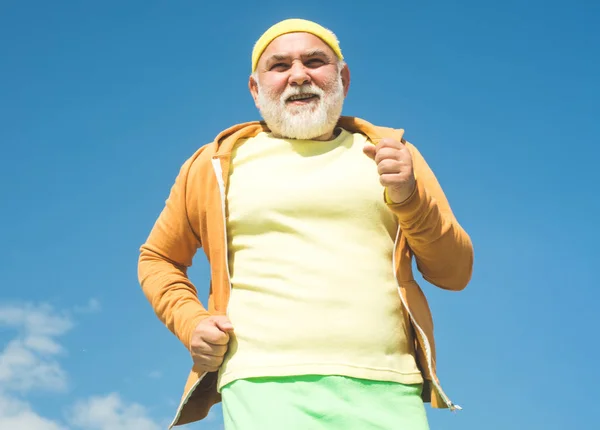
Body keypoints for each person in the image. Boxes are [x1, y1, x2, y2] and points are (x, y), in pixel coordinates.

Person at [138, 18, 474, 430]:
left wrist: (409, 198)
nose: (299, 75)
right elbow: (158, 259)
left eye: (315, 61)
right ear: (255, 89)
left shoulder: (392, 155)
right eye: (279, 66)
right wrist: (192, 322)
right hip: (262, 381)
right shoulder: (213, 165)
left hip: (389, 384)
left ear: (343, 78)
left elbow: (455, 272)